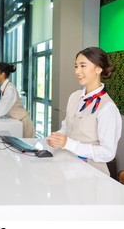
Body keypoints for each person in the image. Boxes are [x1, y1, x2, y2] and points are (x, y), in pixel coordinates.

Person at [46, 47, 122, 175]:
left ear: (98, 68)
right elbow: (67, 127)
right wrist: (58, 137)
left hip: (92, 175)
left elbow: (107, 153)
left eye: (83, 66)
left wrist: (68, 143)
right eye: (76, 66)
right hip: (67, 168)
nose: (77, 71)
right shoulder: (74, 97)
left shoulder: (107, 108)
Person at [0, 62, 35, 138]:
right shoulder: (5, 87)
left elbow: (0, 111)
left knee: (26, 149)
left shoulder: (9, 89)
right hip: (18, 122)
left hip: (23, 123)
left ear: (2, 74)